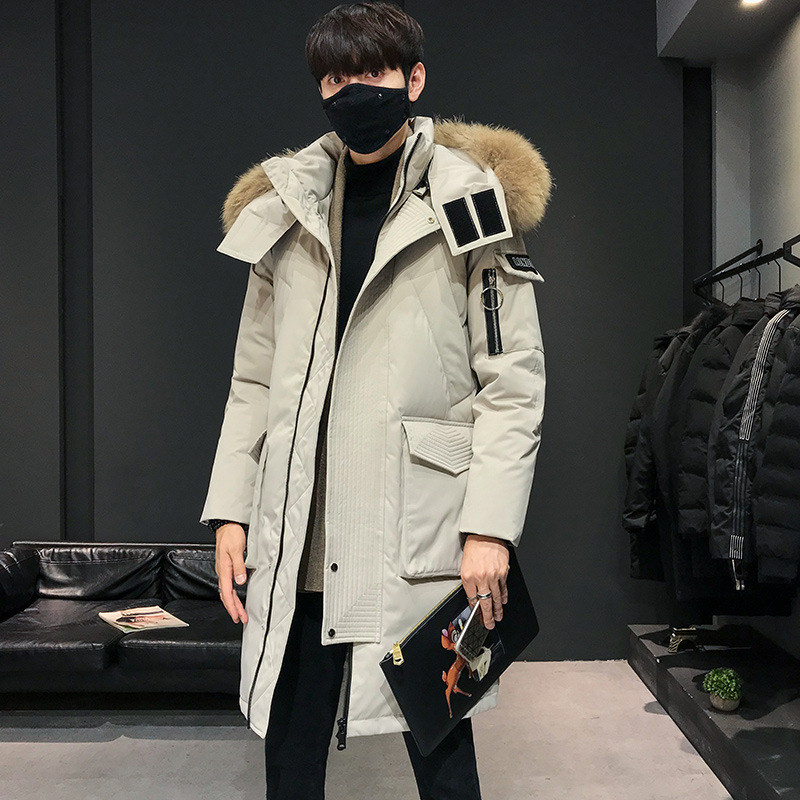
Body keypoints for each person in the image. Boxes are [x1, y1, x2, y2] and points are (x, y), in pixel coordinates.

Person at [200, 3, 552, 798]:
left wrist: (490, 527)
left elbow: (512, 381)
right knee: (290, 757)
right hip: (301, 529)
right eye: (335, 77)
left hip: (415, 528)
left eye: (372, 72)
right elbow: (253, 381)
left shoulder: (468, 201)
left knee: (443, 751)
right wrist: (231, 510)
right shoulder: (284, 208)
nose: (353, 90)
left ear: (413, 79)